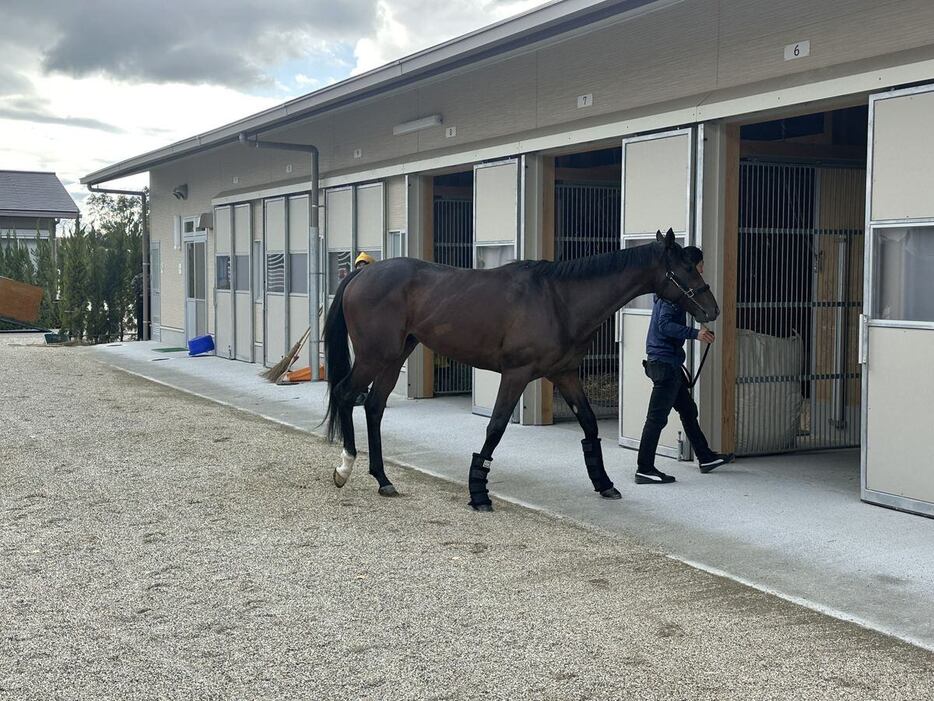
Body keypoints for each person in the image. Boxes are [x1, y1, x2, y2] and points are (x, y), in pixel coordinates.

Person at [636, 245, 733, 484]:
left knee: (688, 411)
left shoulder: (673, 291)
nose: (702, 269)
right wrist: (695, 334)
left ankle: (705, 457)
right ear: (692, 266)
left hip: (668, 362)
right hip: (665, 363)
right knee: (656, 418)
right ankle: (644, 469)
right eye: (701, 265)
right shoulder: (671, 295)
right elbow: (664, 326)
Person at [132, 272, 144, 341]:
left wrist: (138, 294)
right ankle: (146, 335)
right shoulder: (152, 276)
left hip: (140, 299)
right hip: (150, 300)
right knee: (148, 318)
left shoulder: (137, 277)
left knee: (140, 319)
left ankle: (140, 336)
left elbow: (133, 286)